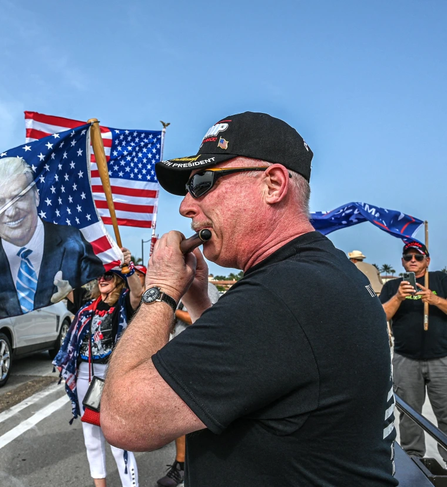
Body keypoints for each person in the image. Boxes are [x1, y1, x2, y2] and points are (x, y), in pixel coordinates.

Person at [101, 111, 397, 485]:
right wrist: (196, 300)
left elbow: (124, 420)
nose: (186, 206)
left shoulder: (283, 297)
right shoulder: (321, 273)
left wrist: (160, 287)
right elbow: (249, 370)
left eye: (203, 183)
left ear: (273, 184)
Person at [0, 157, 106, 333]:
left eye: (19, 197)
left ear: (36, 196)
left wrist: (121, 265)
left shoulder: (75, 244)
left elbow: (100, 290)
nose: (11, 212)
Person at [53, 247, 143, 487]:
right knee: (91, 436)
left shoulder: (125, 303)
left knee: (117, 439)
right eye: (101, 275)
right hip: (86, 375)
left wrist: (128, 267)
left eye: (110, 275)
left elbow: (138, 291)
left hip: (113, 376)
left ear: (119, 281)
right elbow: (63, 284)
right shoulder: (86, 306)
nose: (103, 279)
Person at [380, 241, 447, 461]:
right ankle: (415, 460)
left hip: (442, 359)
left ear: (427, 260)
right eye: (408, 257)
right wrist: (399, 297)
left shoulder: (441, 280)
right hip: (405, 359)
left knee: (446, 413)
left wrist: (435, 299)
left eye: (418, 257)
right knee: (410, 415)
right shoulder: (393, 287)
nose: (413, 261)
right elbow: (381, 317)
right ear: (402, 261)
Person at [156, 281, 220, 487]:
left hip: (200, 360)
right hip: (177, 359)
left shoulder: (207, 287)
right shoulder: (175, 286)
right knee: (179, 417)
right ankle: (181, 465)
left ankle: (207, 467)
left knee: (202, 419)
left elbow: (210, 319)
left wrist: (174, 311)